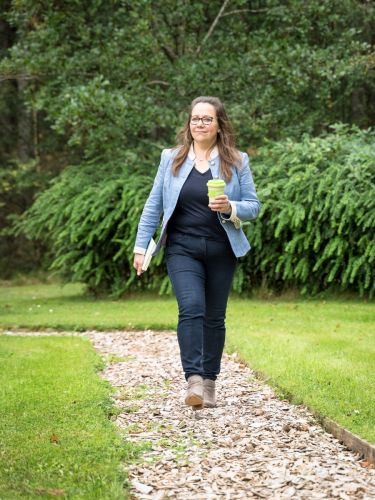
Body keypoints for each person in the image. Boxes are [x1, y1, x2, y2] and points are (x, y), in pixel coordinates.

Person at [133, 96, 260, 410]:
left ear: (219, 125)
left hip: (221, 248)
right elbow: (154, 204)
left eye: (207, 119)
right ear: (188, 124)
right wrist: (140, 246)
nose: (200, 124)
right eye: (195, 118)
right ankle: (194, 380)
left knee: (214, 318)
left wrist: (231, 207)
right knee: (191, 307)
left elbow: (253, 206)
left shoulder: (237, 160)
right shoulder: (171, 158)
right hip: (182, 247)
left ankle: (210, 382)